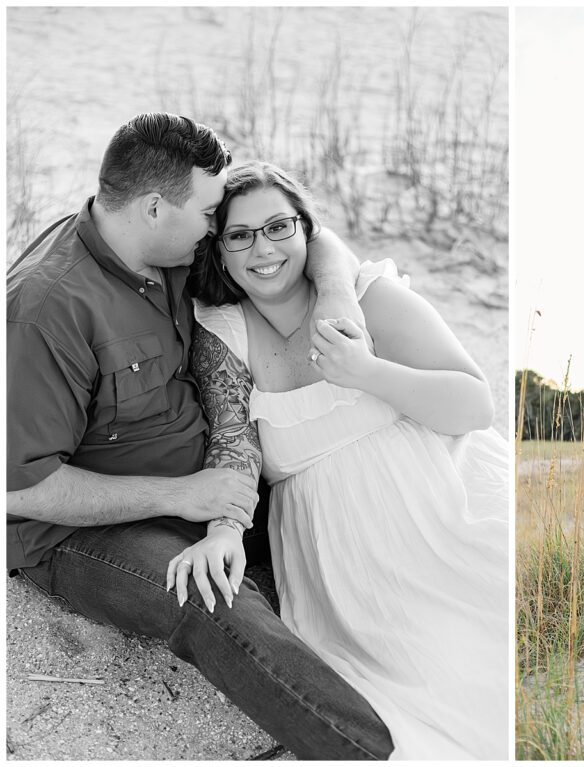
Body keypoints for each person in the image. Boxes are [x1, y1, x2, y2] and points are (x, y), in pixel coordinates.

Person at [7, 113, 394, 759]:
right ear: (156, 206)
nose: (220, 228)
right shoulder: (47, 309)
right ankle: (358, 749)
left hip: (215, 479)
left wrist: (335, 293)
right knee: (210, 597)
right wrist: (182, 495)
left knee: (348, 497)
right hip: (82, 532)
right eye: (211, 213)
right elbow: (21, 486)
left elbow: (300, 230)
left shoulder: (176, 245)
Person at [170, 161, 509, 760]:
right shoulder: (223, 331)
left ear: (307, 230)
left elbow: (475, 403)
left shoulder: (367, 295)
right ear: (219, 251)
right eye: (240, 235)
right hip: (341, 562)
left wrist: (367, 372)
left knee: (490, 649)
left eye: (278, 227)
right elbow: (233, 439)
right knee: (420, 693)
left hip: (440, 506)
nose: (263, 248)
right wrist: (224, 528)